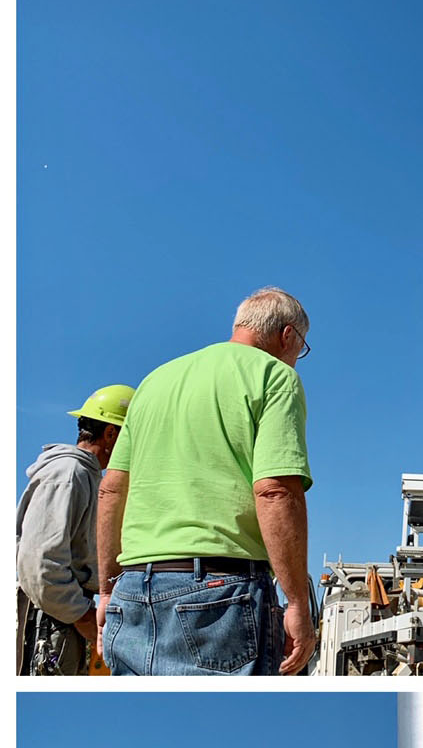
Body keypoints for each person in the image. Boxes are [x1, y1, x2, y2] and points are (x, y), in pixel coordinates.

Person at [97, 287, 316, 674]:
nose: (298, 357)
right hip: (220, 596)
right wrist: (297, 602)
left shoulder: (154, 381)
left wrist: (105, 592)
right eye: (302, 347)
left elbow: (112, 488)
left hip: (132, 590)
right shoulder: (274, 376)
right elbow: (275, 490)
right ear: (288, 336)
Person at [17, 385, 131, 674]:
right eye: (131, 439)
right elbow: (42, 565)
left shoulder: (85, 476)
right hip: (51, 620)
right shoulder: (69, 473)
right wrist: (83, 617)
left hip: (61, 616)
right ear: (111, 434)